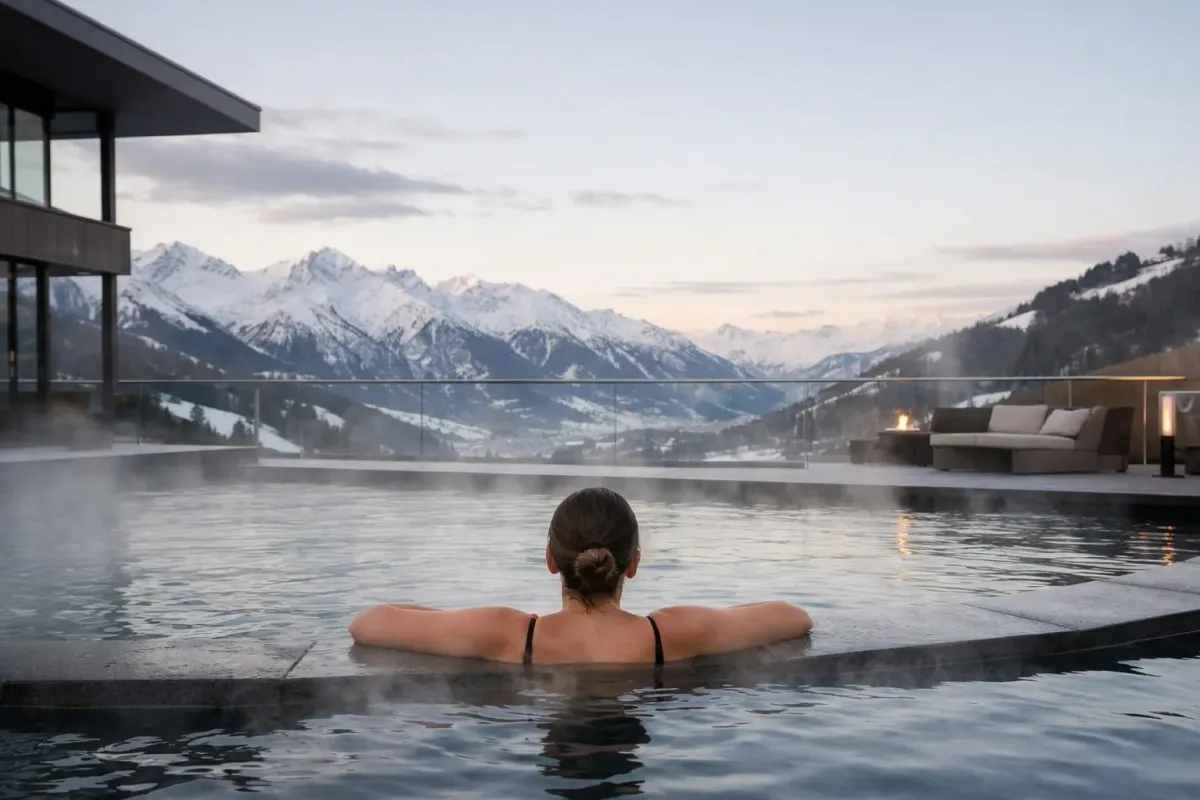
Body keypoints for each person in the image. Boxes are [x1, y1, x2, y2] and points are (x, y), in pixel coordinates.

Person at [348, 487, 813, 665]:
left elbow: (368, 623)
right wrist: (710, 618)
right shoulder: (670, 633)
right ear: (632, 564)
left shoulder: (507, 633)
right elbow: (793, 616)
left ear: (551, 560)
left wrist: (448, 619)